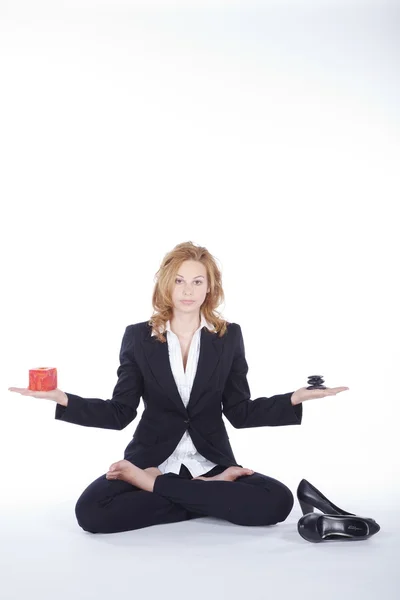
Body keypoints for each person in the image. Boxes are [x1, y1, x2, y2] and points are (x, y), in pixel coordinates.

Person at [9, 241, 349, 534]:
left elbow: (239, 411)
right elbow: (120, 412)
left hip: (210, 461)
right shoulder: (138, 337)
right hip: (151, 457)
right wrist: (61, 398)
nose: (187, 291)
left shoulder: (228, 337)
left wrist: (296, 398)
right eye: (180, 281)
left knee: (278, 500)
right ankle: (209, 498)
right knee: (92, 511)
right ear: (167, 287)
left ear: (209, 288)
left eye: (197, 281)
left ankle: (158, 487)